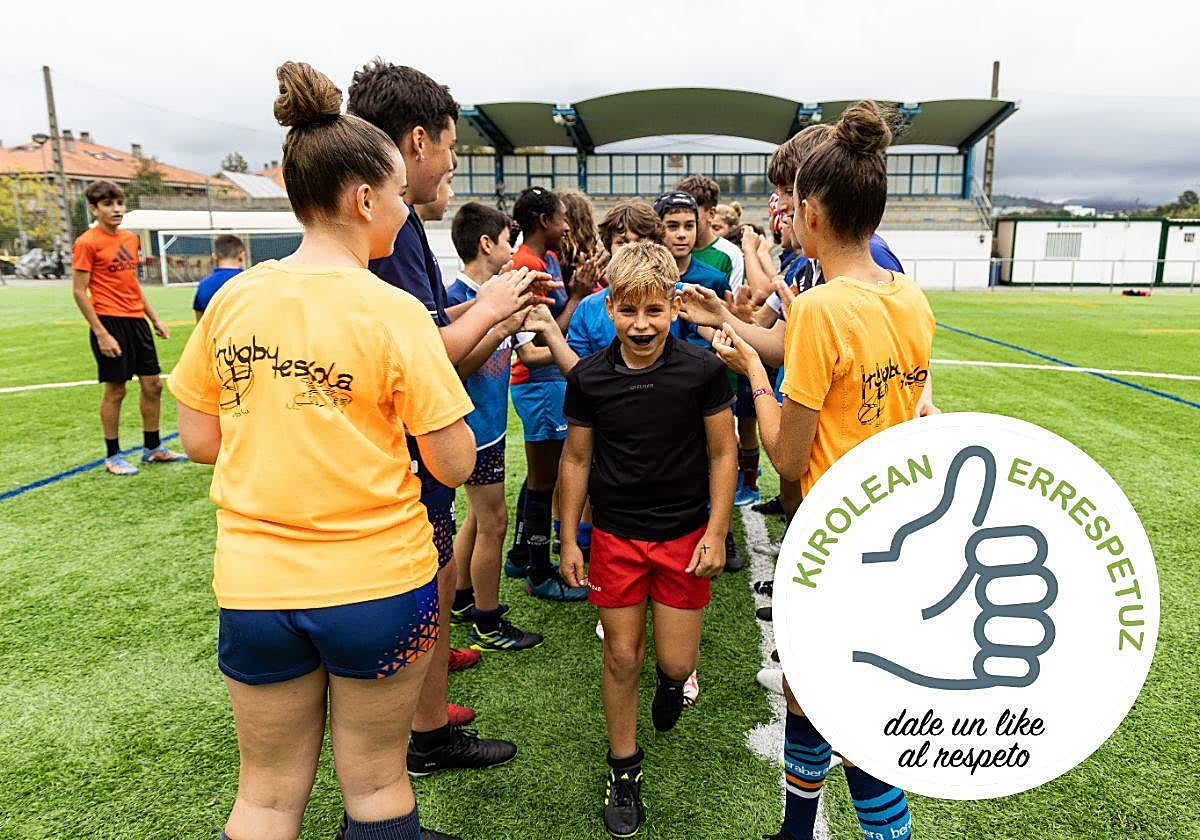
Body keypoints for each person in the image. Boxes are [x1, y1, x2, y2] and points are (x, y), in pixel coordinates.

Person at [169, 61, 475, 840]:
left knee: (266, 796)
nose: (408, 212)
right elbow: (455, 463)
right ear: (364, 198)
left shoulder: (233, 296)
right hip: (375, 582)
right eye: (403, 195)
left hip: (255, 585)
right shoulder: (395, 310)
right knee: (374, 785)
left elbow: (199, 440)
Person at [708, 100, 935, 840]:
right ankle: (796, 829)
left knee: (850, 705)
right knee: (810, 691)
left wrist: (749, 367)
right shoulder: (908, 296)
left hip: (833, 539)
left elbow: (786, 454)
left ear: (808, 210)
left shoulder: (818, 312)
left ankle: (881, 833)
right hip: (895, 530)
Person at [348, 58, 533, 799]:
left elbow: (427, 329)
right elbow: (420, 355)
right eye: (452, 147)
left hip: (401, 459)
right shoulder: (384, 231)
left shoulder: (401, 229)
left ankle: (427, 700)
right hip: (401, 457)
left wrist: (489, 305)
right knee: (416, 588)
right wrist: (491, 311)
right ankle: (424, 735)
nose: (454, 163)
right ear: (418, 141)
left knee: (432, 579)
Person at [554, 241, 736, 838]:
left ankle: (669, 680)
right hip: (615, 538)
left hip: (684, 538)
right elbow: (576, 460)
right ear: (609, 308)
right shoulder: (590, 378)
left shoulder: (702, 371)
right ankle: (624, 768)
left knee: (677, 663)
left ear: (674, 308)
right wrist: (569, 540)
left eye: (654, 311)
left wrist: (716, 531)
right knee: (620, 654)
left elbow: (722, 450)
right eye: (628, 311)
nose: (641, 325)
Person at [445, 202, 553, 652]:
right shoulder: (454, 298)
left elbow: (525, 353)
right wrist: (498, 323)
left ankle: (462, 598)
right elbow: (456, 367)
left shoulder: (493, 294)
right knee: (495, 522)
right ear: (486, 244)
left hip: (486, 427)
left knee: (477, 517)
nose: (513, 248)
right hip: (469, 431)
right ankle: (487, 624)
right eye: (508, 240)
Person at [501, 186, 592, 602]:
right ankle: (538, 573)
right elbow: (537, 347)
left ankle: (521, 553)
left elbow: (552, 323)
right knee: (544, 481)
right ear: (543, 221)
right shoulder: (523, 267)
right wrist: (575, 297)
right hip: (538, 384)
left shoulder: (547, 259)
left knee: (542, 474)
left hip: (550, 384)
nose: (568, 224)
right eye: (561, 217)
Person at [71, 178, 187, 475]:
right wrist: (101, 332)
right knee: (116, 390)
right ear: (94, 209)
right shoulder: (86, 243)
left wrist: (154, 317)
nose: (116, 209)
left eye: (119, 203)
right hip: (109, 322)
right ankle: (113, 456)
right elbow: (78, 291)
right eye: (108, 204)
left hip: (137, 322)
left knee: (154, 384)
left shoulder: (130, 240)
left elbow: (131, 282)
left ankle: (153, 448)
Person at [674, 174, 745, 291]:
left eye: (693, 214)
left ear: (711, 214)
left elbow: (733, 305)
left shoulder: (731, 254)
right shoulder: (666, 249)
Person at [193, 234, 246, 320]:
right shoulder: (252, 281)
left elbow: (200, 326)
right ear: (242, 255)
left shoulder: (203, 285)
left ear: (215, 256)